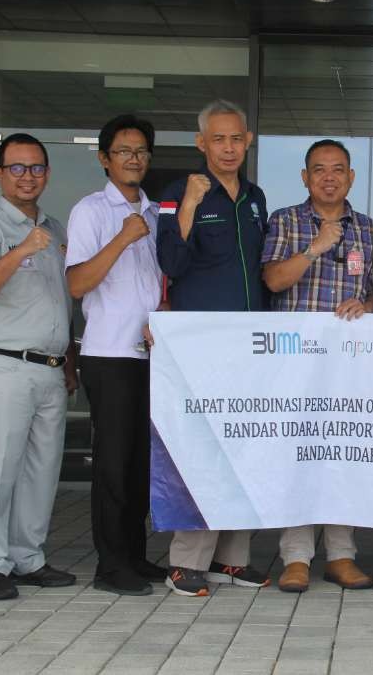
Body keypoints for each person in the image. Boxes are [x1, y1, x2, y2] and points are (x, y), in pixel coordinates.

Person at [0, 133, 79, 600]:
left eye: (37, 168)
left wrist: (69, 360)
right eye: (18, 168)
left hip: (48, 368)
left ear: (47, 173)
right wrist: (21, 250)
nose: (28, 177)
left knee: (40, 471)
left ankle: (28, 558)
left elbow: (61, 301)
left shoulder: (57, 229)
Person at [156, 99, 270, 597]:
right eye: (218, 139)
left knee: (244, 448)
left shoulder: (256, 196)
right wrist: (188, 207)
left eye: (236, 138)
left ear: (247, 142)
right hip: (201, 345)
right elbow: (170, 261)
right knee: (200, 452)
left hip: (249, 344)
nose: (228, 147)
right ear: (201, 144)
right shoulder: (179, 192)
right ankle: (185, 561)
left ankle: (232, 558)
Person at [261, 139, 373, 593]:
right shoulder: (285, 221)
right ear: (305, 177)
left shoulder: (369, 230)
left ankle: (341, 555)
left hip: (350, 368)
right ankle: (295, 558)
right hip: (295, 365)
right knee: (299, 456)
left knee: (343, 457)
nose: (329, 177)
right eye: (319, 170)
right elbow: (273, 281)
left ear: (351, 177)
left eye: (338, 169)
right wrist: (313, 249)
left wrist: (367, 304)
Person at [65, 115, 167, 596]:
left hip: (150, 355)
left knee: (140, 463)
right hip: (108, 355)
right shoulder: (90, 211)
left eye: (142, 150)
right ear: (105, 159)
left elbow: (156, 285)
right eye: (124, 151)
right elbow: (77, 282)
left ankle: (134, 554)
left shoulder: (154, 212)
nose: (135, 158)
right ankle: (110, 565)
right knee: (112, 463)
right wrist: (122, 238)